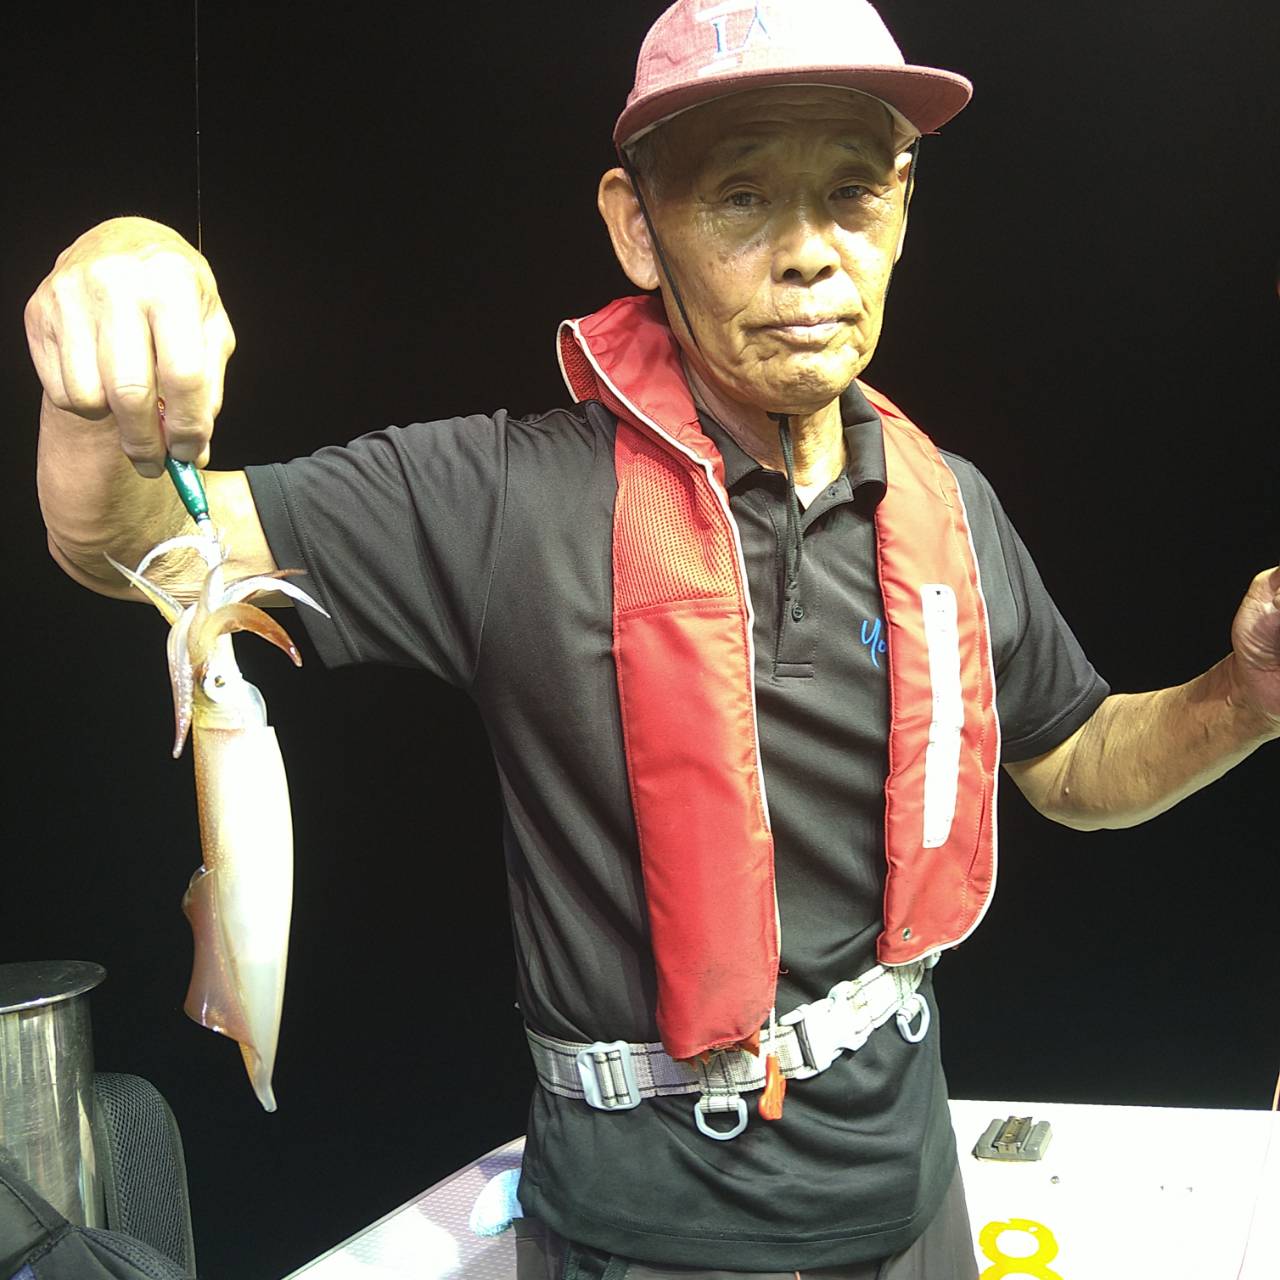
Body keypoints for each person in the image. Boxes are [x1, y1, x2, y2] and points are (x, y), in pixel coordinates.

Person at [25, 1, 1279, 1277]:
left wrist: (1248, 689)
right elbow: (130, 538)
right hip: (643, 1232)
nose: (809, 254)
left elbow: (1075, 763)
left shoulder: (947, 504)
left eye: (852, 192)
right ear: (637, 225)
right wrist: (118, 291)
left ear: (901, 207)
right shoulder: (506, 499)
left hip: (912, 1198)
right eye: (741, 197)